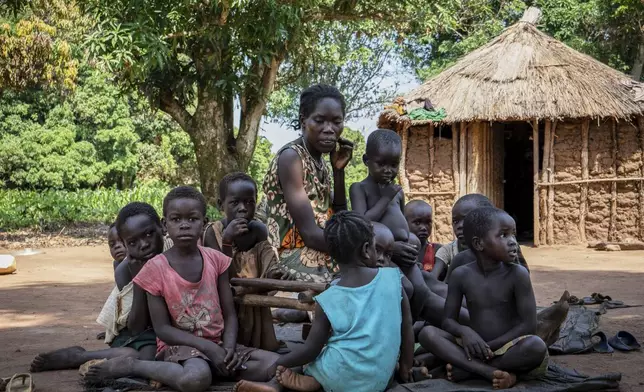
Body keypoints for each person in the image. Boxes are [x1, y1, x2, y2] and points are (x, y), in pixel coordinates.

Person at [85, 187, 280, 392]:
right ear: (165, 224)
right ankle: (133, 366)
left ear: (204, 223)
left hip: (218, 343)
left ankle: (225, 370)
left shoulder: (217, 260)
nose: (184, 225)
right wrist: (208, 348)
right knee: (196, 380)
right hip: (180, 348)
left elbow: (230, 314)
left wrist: (229, 348)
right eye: (176, 220)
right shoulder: (155, 268)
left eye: (192, 219)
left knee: (279, 365)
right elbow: (162, 329)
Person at [233, 211, 414, 392]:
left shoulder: (328, 297)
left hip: (338, 374)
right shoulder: (394, 279)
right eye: (376, 248)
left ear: (332, 257)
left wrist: (279, 363)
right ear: (367, 249)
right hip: (379, 378)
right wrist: (406, 366)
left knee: (308, 355)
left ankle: (286, 383)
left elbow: (311, 349)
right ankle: (311, 380)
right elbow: (406, 326)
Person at [418, 207, 548, 389]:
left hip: (506, 346)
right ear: (479, 244)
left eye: (513, 235)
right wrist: (465, 332)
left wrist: (488, 347)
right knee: (428, 334)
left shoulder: (517, 275)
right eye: (503, 235)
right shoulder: (460, 275)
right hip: (472, 344)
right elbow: (448, 321)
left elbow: (528, 325)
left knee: (536, 347)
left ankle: (468, 370)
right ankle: (487, 371)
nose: (513, 242)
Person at [350, 129, 466, 327]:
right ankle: (401, 329)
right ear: (366, 160)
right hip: (382, 258)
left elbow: (402, 221)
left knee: (422, 291)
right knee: (407, 289)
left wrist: (412, 244)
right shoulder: (359, 188)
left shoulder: (397, 192)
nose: (388, 170)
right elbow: (362, 225)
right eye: (381, 164)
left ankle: (414, 325)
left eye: (394, 165)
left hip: (407, 257)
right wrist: (385, 199)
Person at [31, 202, 161, 372]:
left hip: (171, 327)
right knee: (145, 359)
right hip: (139, 332)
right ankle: (79, 357)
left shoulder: (175, 250)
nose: (144, 244)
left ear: (163, 227)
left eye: (149, 234)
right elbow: (137, 327)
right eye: (133, 242)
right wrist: (140, 279)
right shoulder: (125, 270)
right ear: (125, 244)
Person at [260, 84, 354, 284]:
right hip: (289, 256)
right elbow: (310, 235)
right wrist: (355, 247)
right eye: (319, 121)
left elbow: (338, 218)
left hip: (320, 249)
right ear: (304, 121)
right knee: (357, 276)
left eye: (336, 122)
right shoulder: (292, 158)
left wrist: (338, 172)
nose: (329, 130)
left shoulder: (321, 162)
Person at [203, 172, 279, 351]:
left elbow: (266, 259)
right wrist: (227, 241)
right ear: (221, 205)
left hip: (255, 300)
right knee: (233, 343)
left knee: (265, 347)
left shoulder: (258, 231)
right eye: (235, 202)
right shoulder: (212, 233)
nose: (243, 208)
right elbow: (220, 275)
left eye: (249, 202)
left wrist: (273, 272)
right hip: (227, 301)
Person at [442, 195, 529, 283]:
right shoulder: (459, 258)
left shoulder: (506, 247)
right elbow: (447, 288)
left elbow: (523, 280)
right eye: (455, 221)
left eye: (467, 219)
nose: (460, 226)